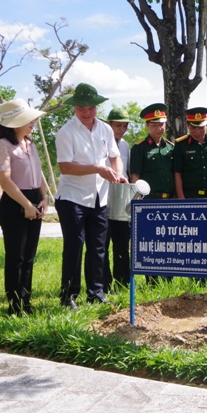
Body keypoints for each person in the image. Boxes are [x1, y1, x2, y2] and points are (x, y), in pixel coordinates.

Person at [55, 83, 126, 309]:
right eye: (81, 108)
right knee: (74, 246)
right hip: (72, 198)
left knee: (98, 247)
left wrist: (118, 173)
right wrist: (98, 169)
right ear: (73, 107)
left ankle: (96, 293)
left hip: (99, 197)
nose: (86, 113)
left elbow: (114, 156)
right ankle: (68, 295)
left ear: (97, 107)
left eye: (91, 108)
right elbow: (65, 167)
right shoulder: (65, 132)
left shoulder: (105, 129)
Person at [0, 99, 48, 315]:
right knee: (16, 256)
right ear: (13, 123)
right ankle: (14, 303)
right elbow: (5, 180)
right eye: (27, 119)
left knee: (30, 256)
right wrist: (26, 205)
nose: (32, 122)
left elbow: (39, 175)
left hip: (34, 198)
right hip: (15, 202)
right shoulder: (2, 146)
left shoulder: (30, 144)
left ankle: (26, 300)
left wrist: (44, 198)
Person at [103, 107, 132, 291]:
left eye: (124, 126)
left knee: (122, 245)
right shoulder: (99, 143)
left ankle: (122, 283)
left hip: (121, 202)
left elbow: (126, 172)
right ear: (108, 125)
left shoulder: (125, 146)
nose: (120, 129)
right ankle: (103, 284)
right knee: (101, 246)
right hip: (102, 201)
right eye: (117, 125)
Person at [129, 103, 174, 199]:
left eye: (161, 124)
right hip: (149, 199)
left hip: (170, 199)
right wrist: (137, 198)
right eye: (154, 125)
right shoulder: (139, 148)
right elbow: (135, 175)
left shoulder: (171, 147)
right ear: (147, 125)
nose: (159, 128)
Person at [174, 106, 207, 199]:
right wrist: (181, 198)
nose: (197, 131)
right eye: (193, 128)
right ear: (187, 126)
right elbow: (177, 173)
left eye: (201, 127)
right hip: (190, 196)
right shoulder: (181, 144)